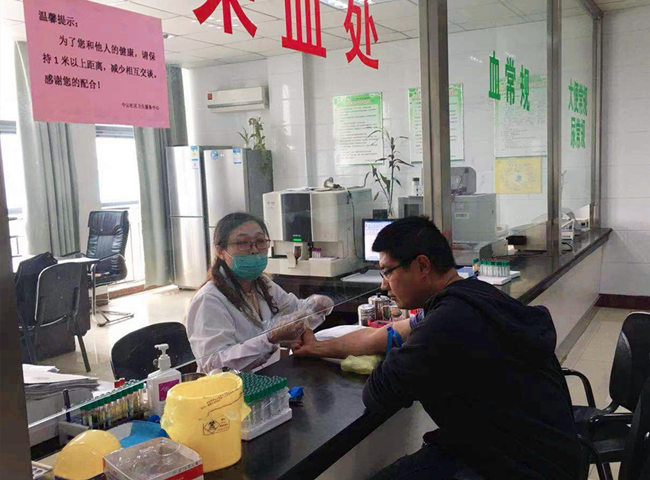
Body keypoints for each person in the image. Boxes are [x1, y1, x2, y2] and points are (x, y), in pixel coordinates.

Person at [293, 216, 582, 480]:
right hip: (545, 453)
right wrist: (319, 347)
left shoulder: (446, 323)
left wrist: (408, 348)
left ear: (422, 266)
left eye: (388, 272)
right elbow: (384, 335)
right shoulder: (473, 295)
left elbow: (376, 394)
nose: (383, 286)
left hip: (517, 467)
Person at [186, 212, 332, 373]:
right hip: (232, 386)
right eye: (242, 243)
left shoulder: (261, 284)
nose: (254, 250)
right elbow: (213, 364)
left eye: (260, 241)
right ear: (220, 251)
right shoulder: (209, 299)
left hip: (267, 377)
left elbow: (293, 310)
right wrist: (270, 338)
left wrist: (314, 307)